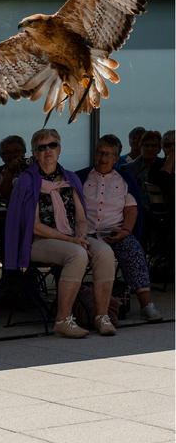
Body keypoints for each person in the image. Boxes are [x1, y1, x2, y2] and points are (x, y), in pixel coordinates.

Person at [4, 128, 117, 339]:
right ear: (35, 153)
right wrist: (73, 241)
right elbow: (34, 225)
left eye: (52, 145)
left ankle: (101, 316)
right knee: (77, 254)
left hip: (71, 238)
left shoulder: (70, 178)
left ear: (60, 149)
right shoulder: (28, 181)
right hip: (37, 241)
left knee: (105, 252)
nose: (48, 150)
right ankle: (63, 320)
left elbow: (82, 219)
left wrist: (81, 238)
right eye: (42, 147)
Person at [76, 135, 162, 323]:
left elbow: (132, 209)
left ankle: (146, 306)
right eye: (100, 153)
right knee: (73, 255)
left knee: (133, 251)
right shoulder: (81, 177)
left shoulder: (125, 179)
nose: (102, 157)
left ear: (116, 158)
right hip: (86, 234)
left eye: (108, 154)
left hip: (116, 233)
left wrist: (125, 231)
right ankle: (74, 305)